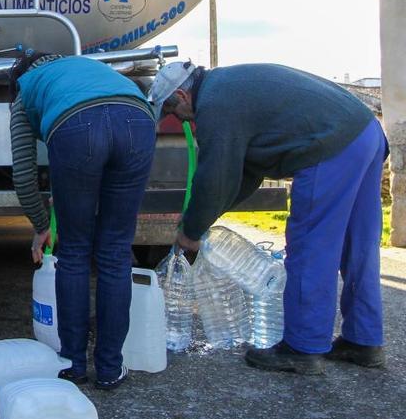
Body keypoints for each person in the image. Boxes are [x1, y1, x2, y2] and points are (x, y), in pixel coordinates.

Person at [150, 61, 388, 374]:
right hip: (365, 132)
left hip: (329, 147)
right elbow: (243, 176)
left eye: (173, 112)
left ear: (182, 95)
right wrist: (203, 220)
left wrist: (190, 231)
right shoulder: (229, 86)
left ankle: (303, 348)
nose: (178, 119)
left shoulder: (215, 104)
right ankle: (364, 340)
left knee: (310, 246)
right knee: (359, 245)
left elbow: (215, 178)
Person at [9, 53, 159, 390]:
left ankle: (73, 364)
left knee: (74, 253)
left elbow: (22, 174)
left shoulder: (25, 90)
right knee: (116, 251)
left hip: (76, 127)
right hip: (138, 120)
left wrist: (40, 224)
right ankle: (109, 369)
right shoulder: (91, 67)